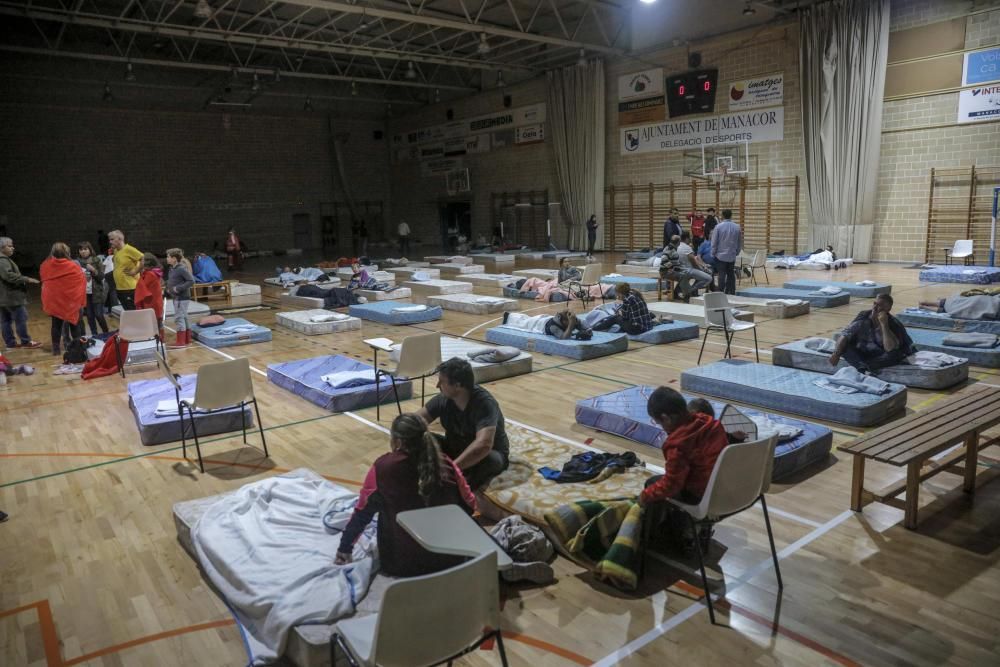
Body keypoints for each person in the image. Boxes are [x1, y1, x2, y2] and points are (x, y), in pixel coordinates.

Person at [334, 413, 476, 575]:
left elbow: (363, 512)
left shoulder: (383, 467)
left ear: (398, 442)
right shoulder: (447, 464)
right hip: (451, 560)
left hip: (402, 565)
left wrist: (344, 548)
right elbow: (470, 505)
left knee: (382, 506)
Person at [639, 387, 731, 552]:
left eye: (658, 422)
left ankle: (657, 538)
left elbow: (671, 485)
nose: (661, 427)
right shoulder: (712, 423)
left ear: (666, 418)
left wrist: (644, 497)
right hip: (727, 489)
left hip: (702, 497)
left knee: (652, 485)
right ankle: (694, 530)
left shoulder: (677, 444)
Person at [416, 358, 510, 490]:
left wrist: (451, 469)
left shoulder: (484, 403)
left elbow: (484, 445)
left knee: (489, 460)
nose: (437, 386)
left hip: (487, 455)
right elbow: (414, 422)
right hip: (456, 447)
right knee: (419, 438)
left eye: (442, 382)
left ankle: (460, 490)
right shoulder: (443, 400)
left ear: (457, 385)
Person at [829, 294, 915, 375]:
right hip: (866, 351)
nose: (875, 307)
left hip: (882, 354)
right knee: (843, 346)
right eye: (875, 303)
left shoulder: (893, 323)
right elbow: (845, 335)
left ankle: (864, 367)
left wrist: (883, 324)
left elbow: (890, 348)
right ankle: (862, 368)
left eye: (880, 305)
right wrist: (836, 353)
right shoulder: (864, 315)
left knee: (894, 355)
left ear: (888, 309)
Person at [40, 242, 86, 356]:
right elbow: (81, 280)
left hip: (55, 301)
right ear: (67, 252)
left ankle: (56, 350)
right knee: (74, 324)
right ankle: (77, 349)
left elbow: (45, 280)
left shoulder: (45, 265)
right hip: (71, 300)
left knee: (56, 324)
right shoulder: (73, 265)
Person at [0, 236, 42, 349]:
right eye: (10, 246)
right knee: (20, 319)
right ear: (2, 247)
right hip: (11, 297)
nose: (13, 248)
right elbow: (8, 276)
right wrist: (27, 279)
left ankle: (10, 343)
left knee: (5, 321)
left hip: (3, 297)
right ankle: (25, 341)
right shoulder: (2, 260)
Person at [76, 242, 108, 336]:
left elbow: (101, 277)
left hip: (97, 292)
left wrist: (93, 270)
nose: (83, 251)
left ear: (90, 250)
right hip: (84, 293)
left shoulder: (96, 260)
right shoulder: (77, 262)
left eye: (85, 249)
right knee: (89, 316)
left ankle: (106, 333)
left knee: (98, 314)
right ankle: (94, 335)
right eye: (81, 249)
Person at [165, 248, 195, 349]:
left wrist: (178, 288)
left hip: (181, 297)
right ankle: (187, 339)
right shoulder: (172, 269)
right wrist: (168, 289)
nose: (167, 258)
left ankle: (181, 341)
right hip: (176, 297)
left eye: (168, 257)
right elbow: (173, 281)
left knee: (179, 317)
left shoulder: (181, 268)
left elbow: (191, 280)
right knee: (184, 316)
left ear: (174, 259)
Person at [108, 230, 143, 310]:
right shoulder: (116, 250)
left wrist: (135, 271)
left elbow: (143, 258)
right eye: (110, 239)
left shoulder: (129, 249)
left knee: (133, 312)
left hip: (130, 288)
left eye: (112, 239)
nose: (110, 242)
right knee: (128, 312)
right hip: (120, 288)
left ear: (120, 239)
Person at [710, 209, 742, 295]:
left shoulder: (718, 227)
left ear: (722, 216)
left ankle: (721, 291)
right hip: (732, 255)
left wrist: (713, 253)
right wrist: (737, 252)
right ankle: (731, 291)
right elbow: (739, 242)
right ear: (731, 216)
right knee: (731, 273)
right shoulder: (737, 227)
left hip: (720, 255)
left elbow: (714, 241)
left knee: (722, 274)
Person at [502, 310, 591, 340]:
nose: (573, 321)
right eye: (569, 321)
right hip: (538, 324)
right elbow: (564, 337)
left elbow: (584, 325)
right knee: (524, 323)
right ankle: (509, 317)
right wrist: (571, 324)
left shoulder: (570, 319)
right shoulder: (553, 326)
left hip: (544, 318)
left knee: (526, 319)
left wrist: (587, 330)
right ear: (563, 321)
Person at [135, 253, 165, 338]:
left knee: (154, 322)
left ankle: (157, 340)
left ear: (147, 262)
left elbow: (141, 286)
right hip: (156, 301)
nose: (141, 262)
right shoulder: (155, 272)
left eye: (142, 260)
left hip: (151, 302)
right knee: (158, 321)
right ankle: (160, 339)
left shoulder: (150, 274)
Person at [658, 236, 696, 302]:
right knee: (683, 276)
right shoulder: (669, 249)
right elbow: (664, 260)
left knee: (686, 274)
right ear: (678, 242)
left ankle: (678, 293)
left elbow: (675, 262)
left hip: (670, 270)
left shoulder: (673, 248)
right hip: (666, 272)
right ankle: (687, 294)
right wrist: (671, 268)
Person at [676, 232, 713, 297]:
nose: (691, 239)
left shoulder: (678, 246)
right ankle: (691, 291)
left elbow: (694, 259)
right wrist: (701, 269)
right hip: (688, 270)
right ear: (687, 239)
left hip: (680, 269)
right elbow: (694, 261)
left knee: (703, 271)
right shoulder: (687, 248)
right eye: (690, 237)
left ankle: (684, 291)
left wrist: (703, 265)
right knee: (709, 277)